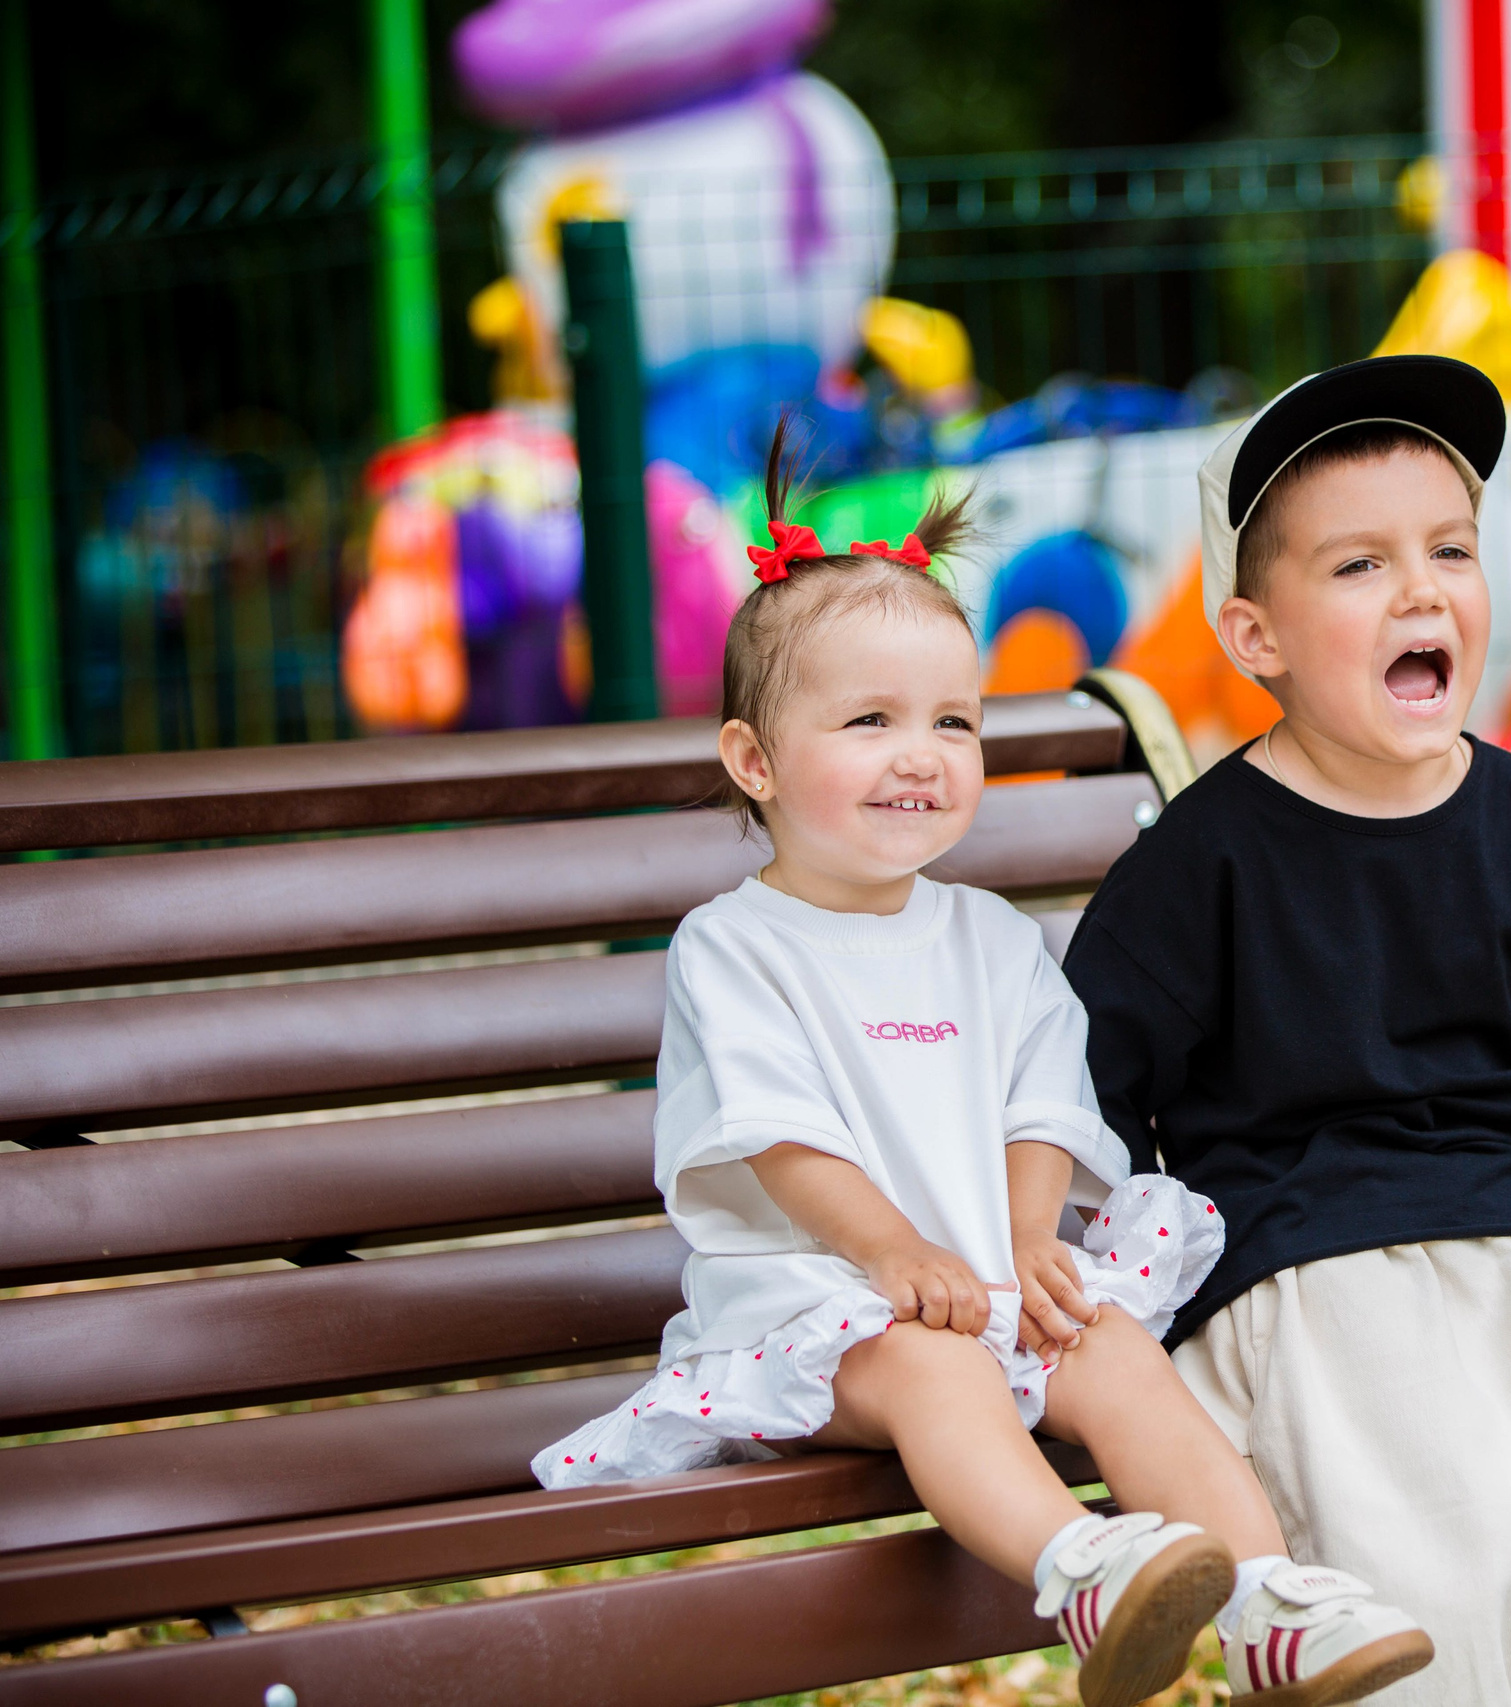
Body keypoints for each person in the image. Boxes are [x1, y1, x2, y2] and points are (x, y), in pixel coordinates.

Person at [532, 424, 1433, 1707]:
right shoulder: (736, 948)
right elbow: (781, 1139)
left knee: (1114, 1350)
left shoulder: (988, 937)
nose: (923, 753)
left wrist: (1023, 1241)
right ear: (755, 761)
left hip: (985, 1283)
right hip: (819, 1308)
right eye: (871, 720)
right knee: (935, 1362)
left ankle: (1268, 1600)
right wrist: (899, 1258)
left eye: (953, 719)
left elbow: (1042, 1102)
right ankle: (1085, 1568)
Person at [1062, 354, 1511, 1706]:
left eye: (1450, 548)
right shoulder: (1195, 872)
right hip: (1316, 1289)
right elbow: (1084, 1116)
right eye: (1358, 565)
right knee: (1438, 1604)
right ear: (1254, 637)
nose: (1419, 589)